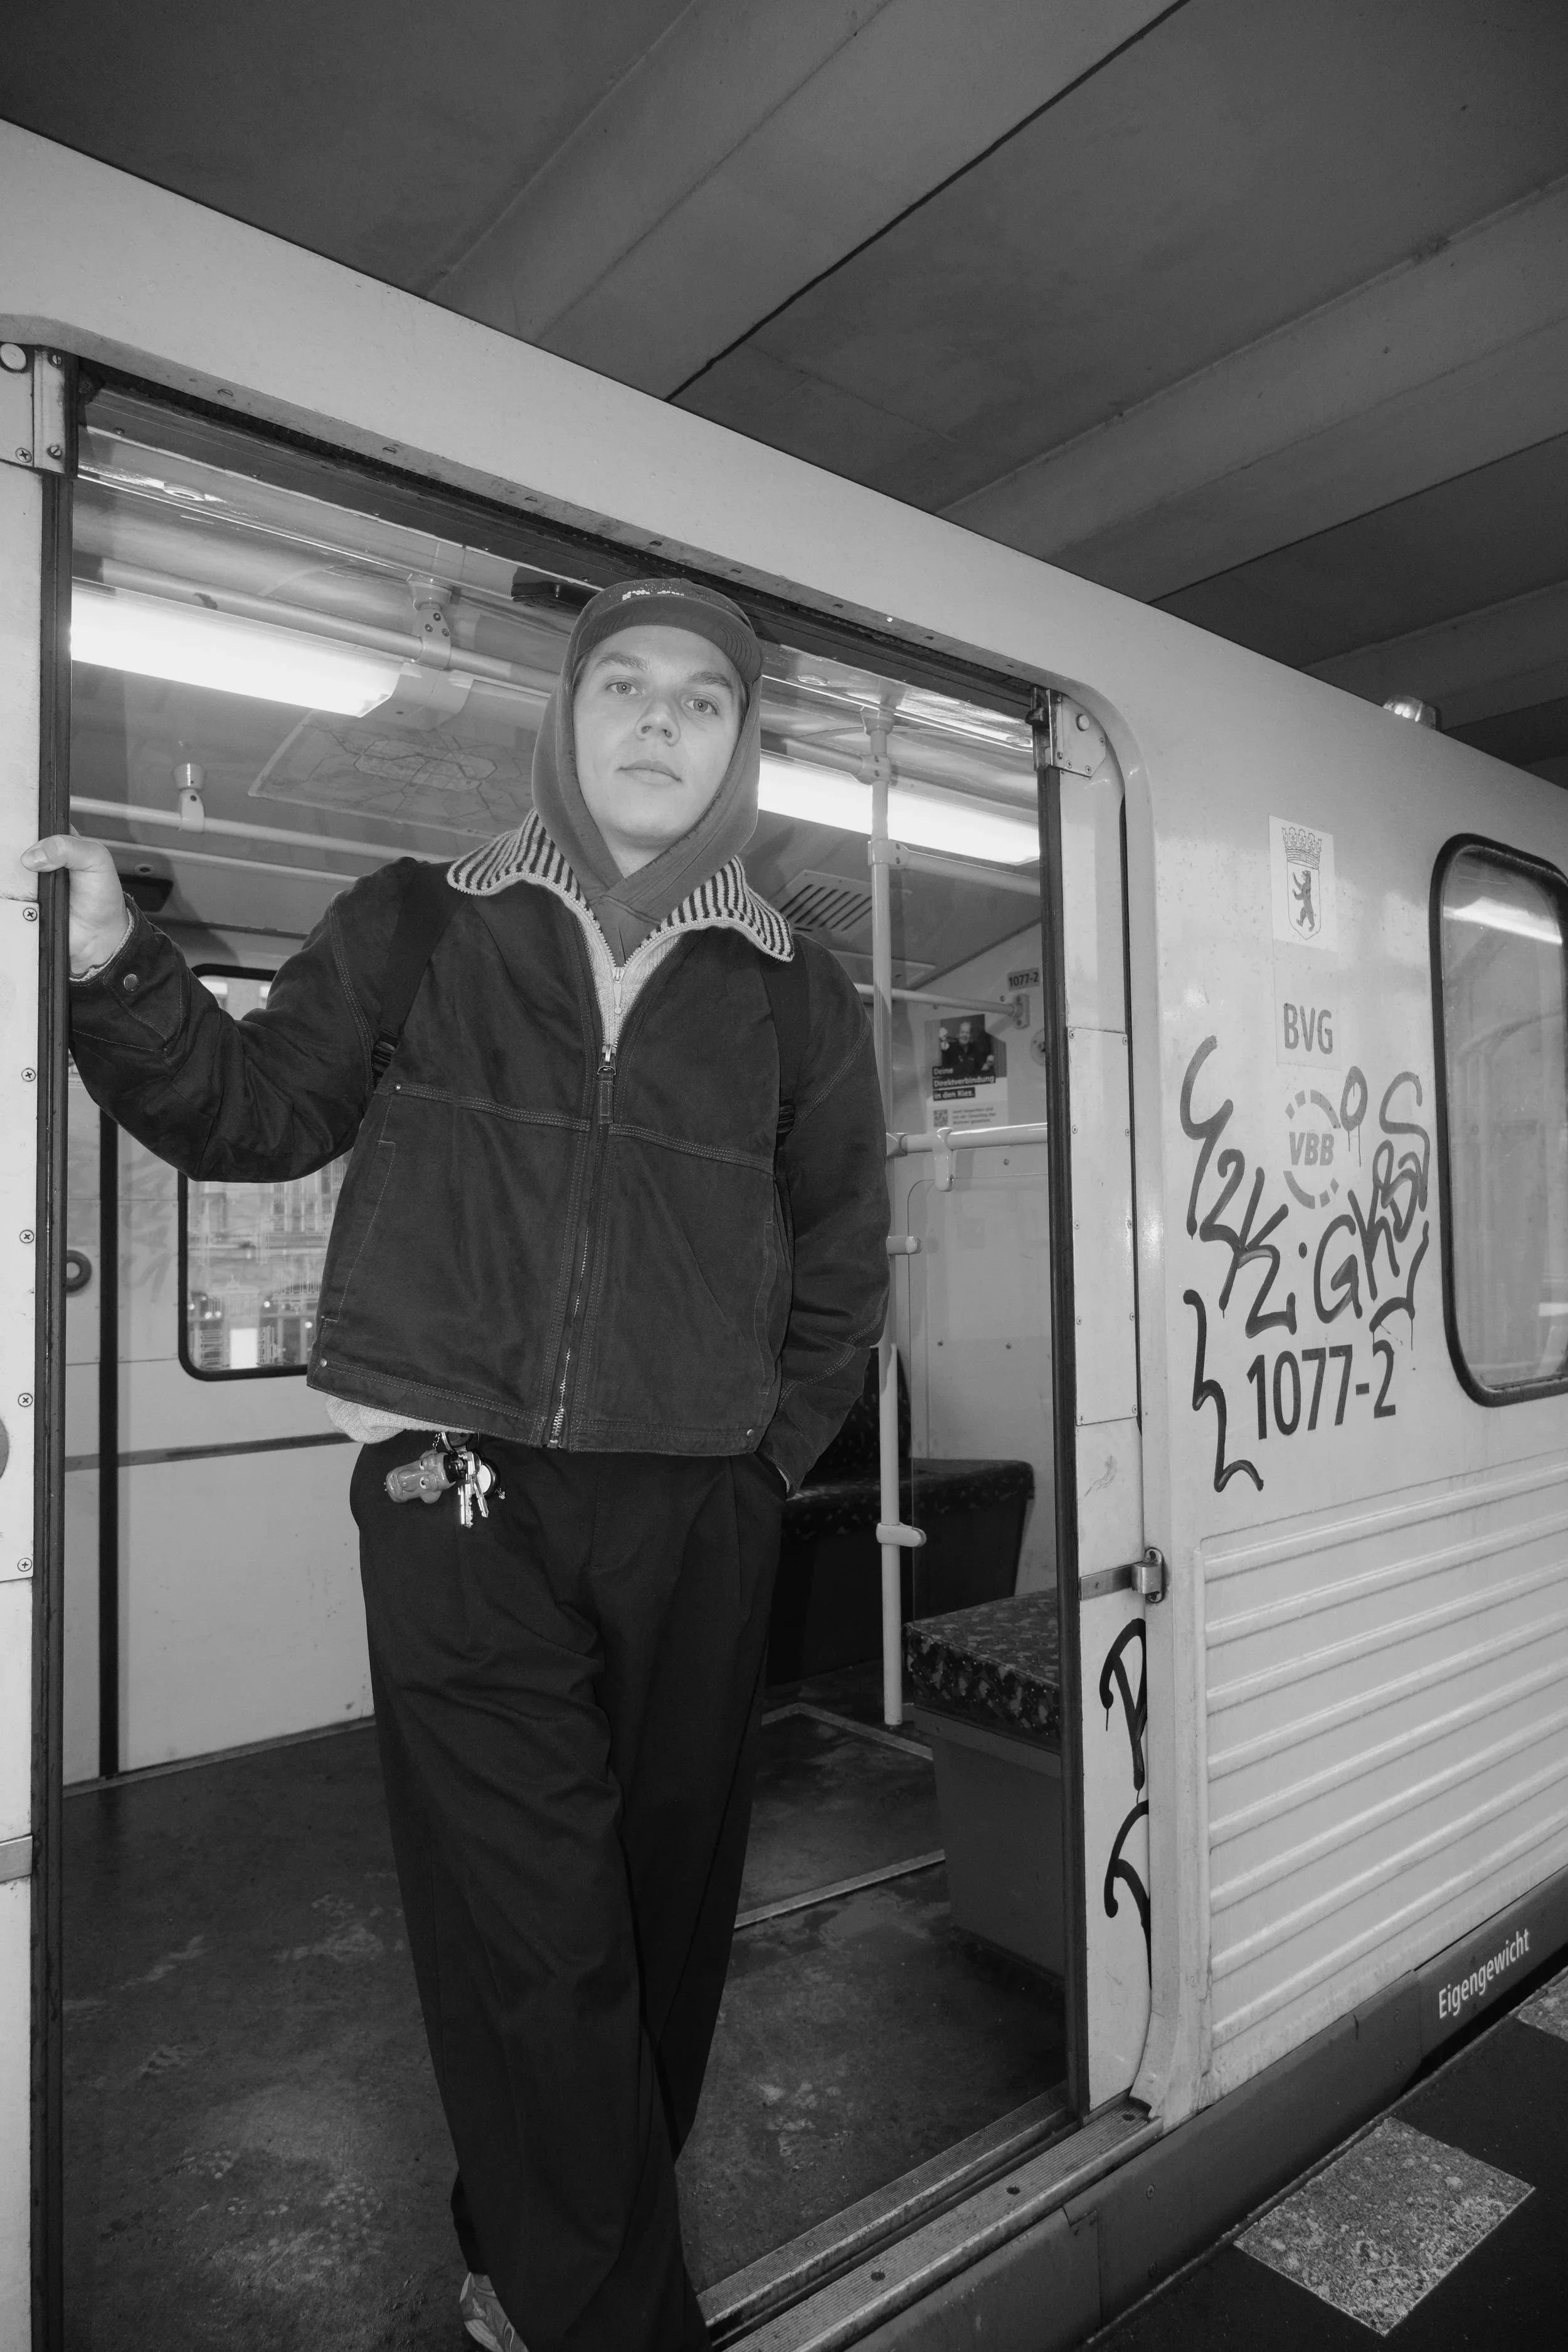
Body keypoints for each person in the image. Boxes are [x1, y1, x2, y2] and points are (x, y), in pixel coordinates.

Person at [28, 578, 890, 2352]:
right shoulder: (422, 923)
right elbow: (247, 1111)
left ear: (738, 744)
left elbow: (841, 1267)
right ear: (567, 716)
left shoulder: (796, 989)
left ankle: (521, 2242)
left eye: (703, 702)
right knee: (540, 1936)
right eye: (626, 685)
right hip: (455, 1497)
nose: (659, 720)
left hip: (695, 1508)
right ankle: (615, 2325)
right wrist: (117, 966)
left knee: (658, 1919)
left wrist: (752, 1466)